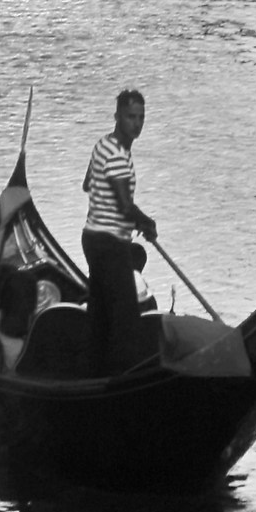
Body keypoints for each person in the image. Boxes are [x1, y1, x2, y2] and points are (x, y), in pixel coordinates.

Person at [82, 88, 157, 374]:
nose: (136, 124)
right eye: (130, 117)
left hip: (93, 238)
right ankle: (123, 377)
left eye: (140, 117)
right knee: (126, 319)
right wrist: (146, 222)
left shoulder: (103, 145)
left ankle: (94, 372)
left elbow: (88, 184)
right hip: (110, 244)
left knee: (100, 314)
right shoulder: (118, 156)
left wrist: (120, 212)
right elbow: (125, 206)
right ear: (117, 117)